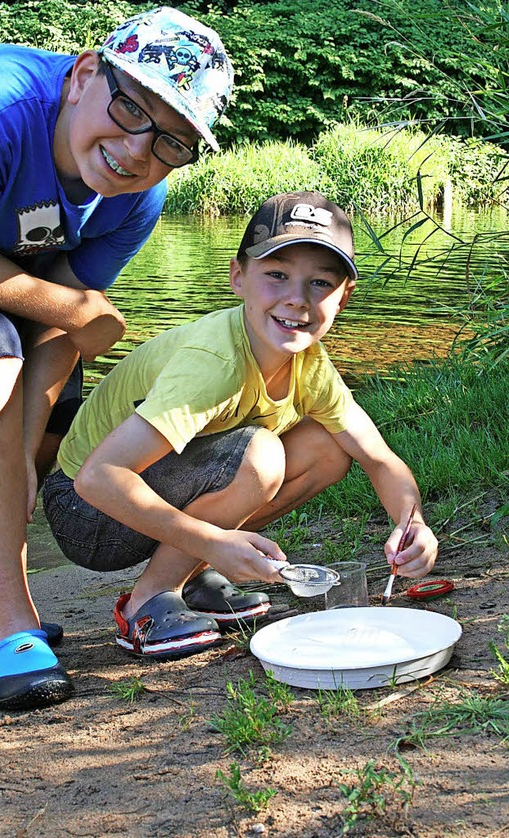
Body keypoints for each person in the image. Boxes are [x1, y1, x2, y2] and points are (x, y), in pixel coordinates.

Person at [0, 6, 233, 710]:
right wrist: (77, 311)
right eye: (130, 108)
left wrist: (25, 446)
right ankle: (11, 634)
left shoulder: (135, 199)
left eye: (171, 142)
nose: (136, 150)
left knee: (40, 409)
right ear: (85, 75)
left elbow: (63, 330)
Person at [42, 191, 439, 659]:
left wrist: (412, 524)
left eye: (320, 283)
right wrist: (215, 541)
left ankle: (190, 577)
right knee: (261, 455)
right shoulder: (213, 363)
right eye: (276, 275)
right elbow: (97, 477)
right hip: (86, 513)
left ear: (343, 297)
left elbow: (379, 458)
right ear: (238, 276)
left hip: (143, 492)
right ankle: (146, 605)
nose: (296, 299)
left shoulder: (310, 364)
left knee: (328, 449)